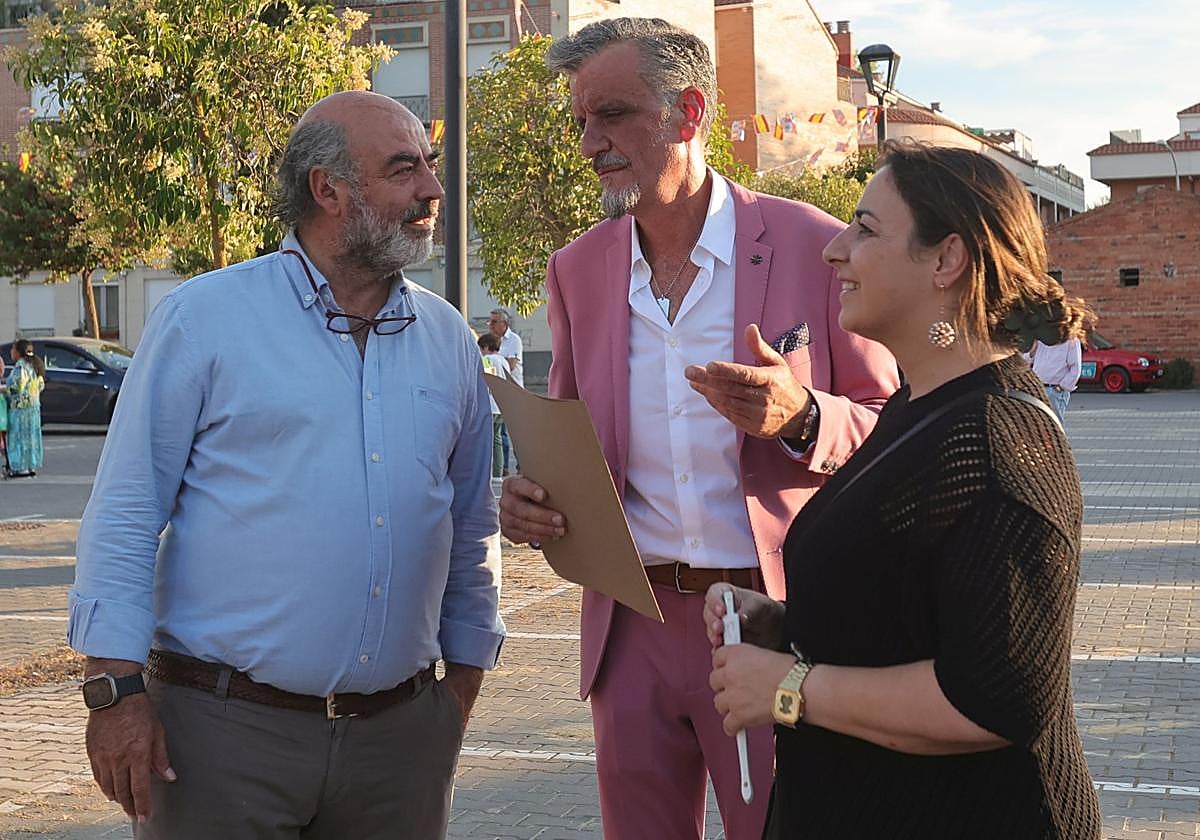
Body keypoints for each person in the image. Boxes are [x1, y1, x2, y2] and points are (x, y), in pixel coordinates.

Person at [498, 18, 899, 840]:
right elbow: (570, 441)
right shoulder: (577, 270)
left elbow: (900, 430)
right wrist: (531, 506)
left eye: (610, 115)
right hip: (629, 626)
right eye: (580, 121)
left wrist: (802, 417)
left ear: (688, 112)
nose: (588, 143)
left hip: (771, 618)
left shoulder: (814, 247)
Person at [68, 92, 505, 839]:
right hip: (221, 739)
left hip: (400, 745)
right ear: (328, 191)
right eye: (404, 170)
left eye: (429, 168)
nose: (433, 191)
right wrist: (115, 693)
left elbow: (470, 527)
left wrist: (456, 691)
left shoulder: (448, 340)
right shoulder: (204, 319)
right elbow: (127, 512)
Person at [705, 142, 1102, 839]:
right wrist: (786, 624)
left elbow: (995, 698)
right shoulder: (917, 408)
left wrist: (789, 689)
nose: (835, 250)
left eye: (865, 228)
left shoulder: (996, 441)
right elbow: (909, 606)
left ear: (946, 260)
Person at [488, 308, 523, 475]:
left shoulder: (513, 340)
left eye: (494, 322)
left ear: (504, 323)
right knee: (500, 434)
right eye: (490, 322)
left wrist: (494, 360)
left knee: (516, 431)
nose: (490, 325)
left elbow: (510, 366)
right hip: (497, 392)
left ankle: (523, 465)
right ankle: (504, 468)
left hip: (513, 391)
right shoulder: (493, 341)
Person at [5, 339, 45, 478]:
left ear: (18, 352)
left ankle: (19, 467)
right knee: (31, 438)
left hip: (21, 409)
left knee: (18, 437)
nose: (11, 352)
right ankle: (30, 466)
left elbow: (17, 387)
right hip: (34, 408)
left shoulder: (20, 367)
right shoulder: (35, 365)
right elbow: (41, 385)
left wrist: (5, 390)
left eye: (13, 349)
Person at [478, 332, 513, 478]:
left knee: (487, 442)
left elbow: (487, 380)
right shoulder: (504, 361)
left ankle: (488, 473)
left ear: (486, 347)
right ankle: (498, 472)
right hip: (501, 405)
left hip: (490, 405)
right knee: (497, 440)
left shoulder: (487, 360)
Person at [1029, 337, 1082, 422]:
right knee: (1037, 422)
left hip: (1054, 390)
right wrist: (1032, 350)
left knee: (1055, 423)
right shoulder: (1041, 339)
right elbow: (1027, 360)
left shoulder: (1071, 340)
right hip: (1038, 387)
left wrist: (1061, 387)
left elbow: (1076, 368)